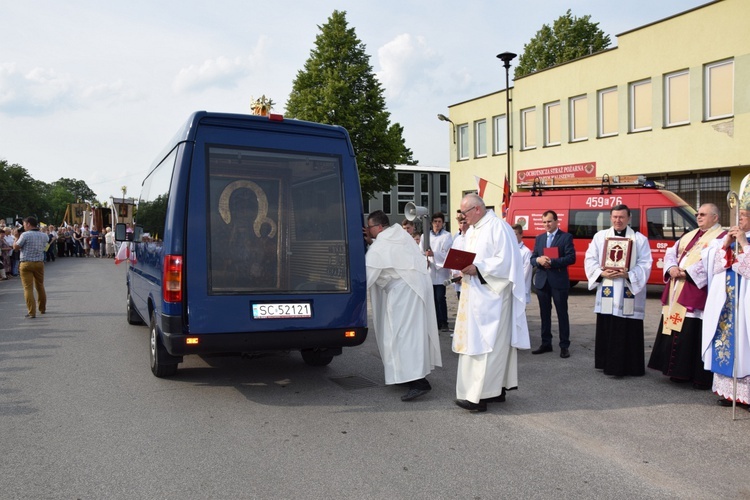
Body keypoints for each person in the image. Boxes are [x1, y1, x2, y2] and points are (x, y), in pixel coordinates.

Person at [452, 194, 530, 412]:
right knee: (477, 345)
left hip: (493, 298)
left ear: (477, 209)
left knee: (487, 346)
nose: (462, 217)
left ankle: (479, 397)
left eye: (464, 213)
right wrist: (463, 269)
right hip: (474, 294)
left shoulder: (498, 227)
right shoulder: (474, 230)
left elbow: (506, 262)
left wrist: (478, 269)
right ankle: (496, 391)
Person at [363, 210, 442, 401]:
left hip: (403, 294)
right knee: (409, 335)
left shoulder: (381, 245)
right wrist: (371, 242)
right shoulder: (399, 236)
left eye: (370, 227)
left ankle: (419, 382)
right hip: (413, 288)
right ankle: (407, 375)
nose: (368, 231)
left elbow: (367, 274)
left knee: (403, 336)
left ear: (379, 227)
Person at [648, 203, 724, 389]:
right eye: (698, 214)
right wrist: (672, 268)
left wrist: (686, 272)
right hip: (677, 287)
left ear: (715, 217)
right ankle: (677, 372)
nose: (698, 217)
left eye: (703, 214)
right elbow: (670, 253)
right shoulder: (690, 235)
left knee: (692, 331)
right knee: (676, 329)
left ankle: (695, 375)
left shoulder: (721, 237)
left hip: (697, 290)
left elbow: (714, 260)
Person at [584, 204, 652, 377]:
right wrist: (601, 272)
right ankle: (606, 363)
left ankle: (630, 367)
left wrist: (628, 274)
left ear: (629, 218)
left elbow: (645, 264)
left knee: (626, 328)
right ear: (610, 218)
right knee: (609, 326)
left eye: (621, 217)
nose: (618, 220)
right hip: (608, 287)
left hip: (627, 288)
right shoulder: (600, 237)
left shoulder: (639, 239)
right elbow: (589, 259)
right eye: (614, 217)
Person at [702, 203, 750, 407]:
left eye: (744, 216)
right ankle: (729, 393)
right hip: (727, 303)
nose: (739, 219)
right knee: (726, 343)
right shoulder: (726, 237)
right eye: (738, 215)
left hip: (745, 303)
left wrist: (743, 244)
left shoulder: (744, 239)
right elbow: (712, 268)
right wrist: (725, 245)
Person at [530, 210, 576, 358]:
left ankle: (564, 346)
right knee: (545, 314)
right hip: (543, 282)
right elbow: (533, 258)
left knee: (562, 314)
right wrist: (538, 261)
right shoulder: (540, 238)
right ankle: (546, 343)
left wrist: (553, 262)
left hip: (558, 281)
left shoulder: (566, 237)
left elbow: (571, 258)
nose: (547, 224)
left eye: (549, 221)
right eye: (544, 222)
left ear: (556, 222)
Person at [420, 212, 453, 332]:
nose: (437, 224)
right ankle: (435, 322)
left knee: (440, 297)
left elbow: (447, 253)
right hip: (429, 270)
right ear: (431, 223)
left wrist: (435, 254)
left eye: (439, 222)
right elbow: (421, 252)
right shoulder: (425, 236)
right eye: (435, 221)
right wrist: (425, 260)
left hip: (440, 271)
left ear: (443, 223)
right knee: (432, 298)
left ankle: (444, 321)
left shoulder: (447, 236)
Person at [13, 216, 49, 318]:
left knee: (28, 288)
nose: (23, 226)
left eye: (24, 224)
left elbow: (16, 247)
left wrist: (16, 237)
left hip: (26, 263)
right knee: (40, 285)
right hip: (39, 263)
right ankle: (42, 308)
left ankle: (31, 312)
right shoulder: (44, 235)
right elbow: (46, 245)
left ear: (28, 224)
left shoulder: (25, 235)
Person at [512, 224, 532, 305]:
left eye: (515, 234)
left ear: (521, 235)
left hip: (520, 288)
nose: (513, 236)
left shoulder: (526, 251)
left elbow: (525, 272)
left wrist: (515, 284)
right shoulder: (509, 250)